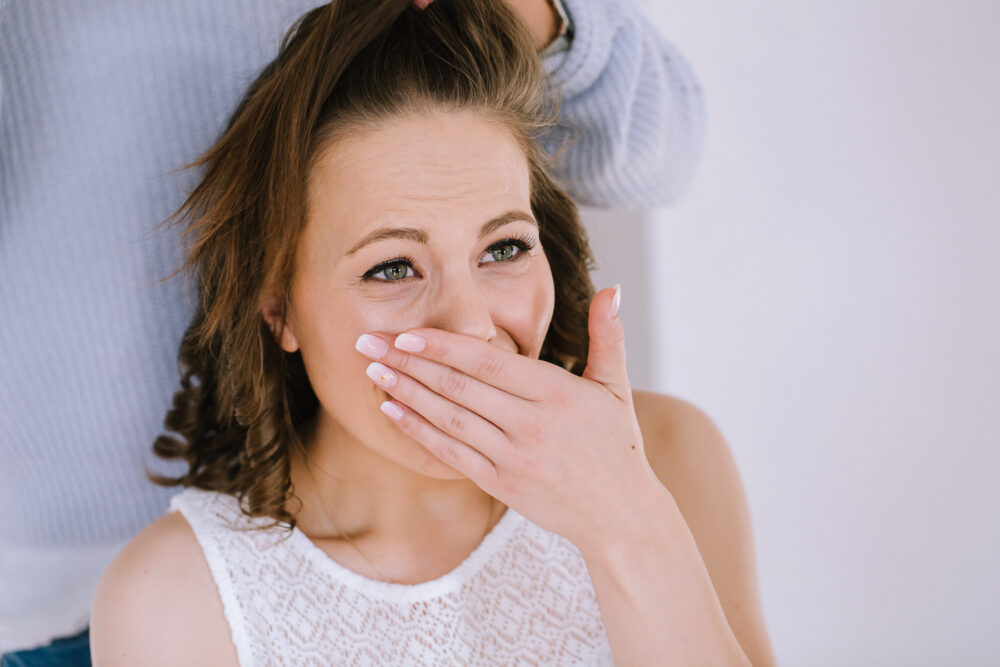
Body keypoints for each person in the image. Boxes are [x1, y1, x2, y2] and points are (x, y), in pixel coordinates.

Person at [0, 0, 709, 663]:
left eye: (503, 248)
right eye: (393, 267)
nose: (472, 329)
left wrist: (631, 524)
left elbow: (656, 142)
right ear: (277, 307)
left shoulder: (672, 461)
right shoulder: (174, 599)